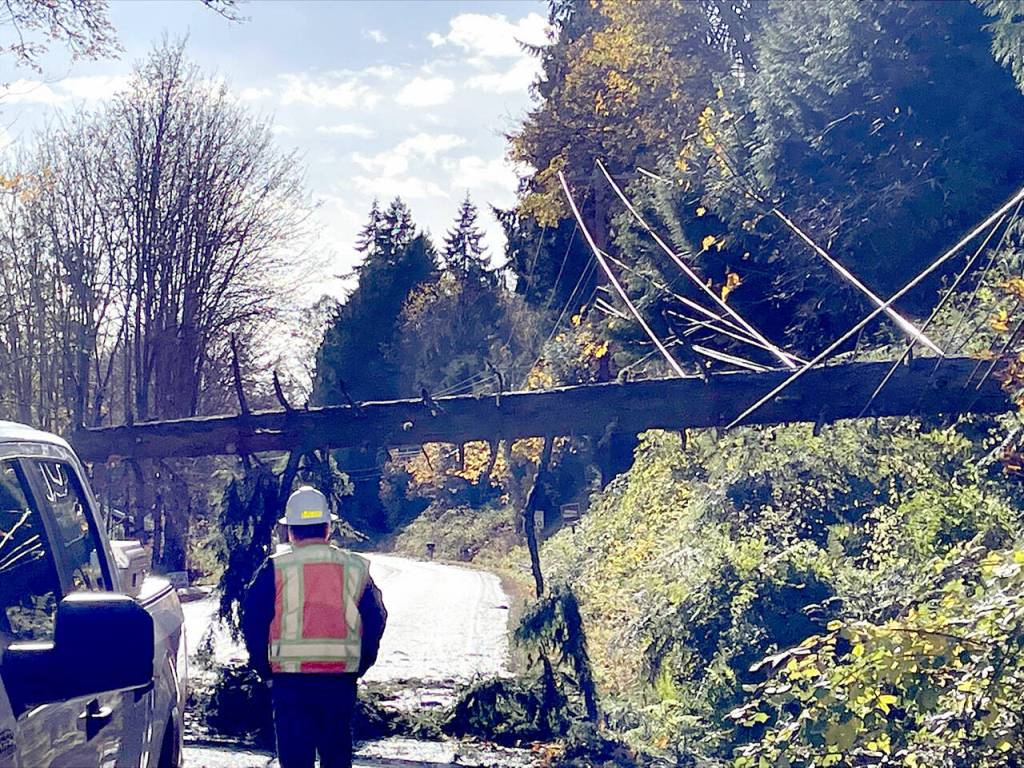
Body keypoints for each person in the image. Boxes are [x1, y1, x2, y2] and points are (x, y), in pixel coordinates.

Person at [243, 485, 387, 768]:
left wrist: (264, 670)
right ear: (328, 528)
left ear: (290, 531)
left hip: (290, 683)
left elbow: (253, 621)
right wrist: (361, 663)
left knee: (295, 760)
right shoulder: (355, 568)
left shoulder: (275, 568)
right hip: (339, 681)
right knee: (336, 758)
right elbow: (376, 618)